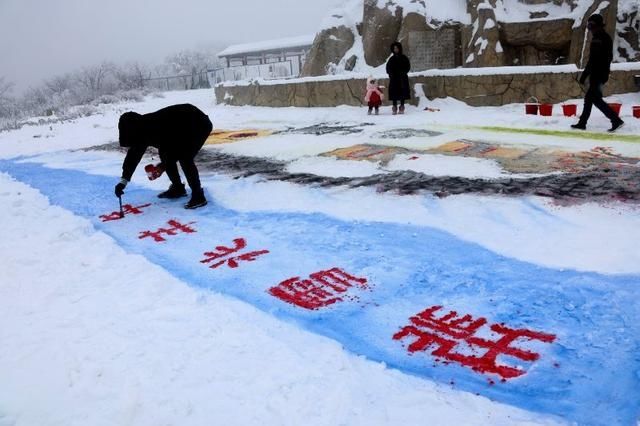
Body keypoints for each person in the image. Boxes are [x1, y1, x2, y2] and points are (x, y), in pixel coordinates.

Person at [114, 103, 213, 209]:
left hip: (198, 124)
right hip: (179, 128)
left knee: (184, 156)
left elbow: (176, 149)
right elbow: (132, 157)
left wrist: (163, 166)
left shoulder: (152, 127)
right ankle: (178, 188)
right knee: (165, 153)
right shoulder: (140, 131)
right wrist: (123, 181)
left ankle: (198, 196)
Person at [571, 14, 624, 132]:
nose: (589, 29)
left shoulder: (598, 39)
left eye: (591, 26)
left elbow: (593, 60)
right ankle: (582, 123)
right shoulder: (604, 37)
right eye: (588, 26)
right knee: (590, 98)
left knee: (595, 99)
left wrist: (585, 75)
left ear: (597, 26)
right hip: (600, 74)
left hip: (598, 74)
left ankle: (616, 120)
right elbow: (604, 58)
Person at [386, 42, 411, 115]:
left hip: (402, 78)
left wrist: (403, 73)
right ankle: (394, 106)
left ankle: (402, 106)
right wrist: (391, 74)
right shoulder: (391, 59)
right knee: (394, 92)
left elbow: (408, 66)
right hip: (394, 79)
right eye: (394, 48)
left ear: (399, 48)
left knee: (402, 92)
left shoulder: (404, 58)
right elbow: (388, 68)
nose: (395, 50)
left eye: (397, 48)